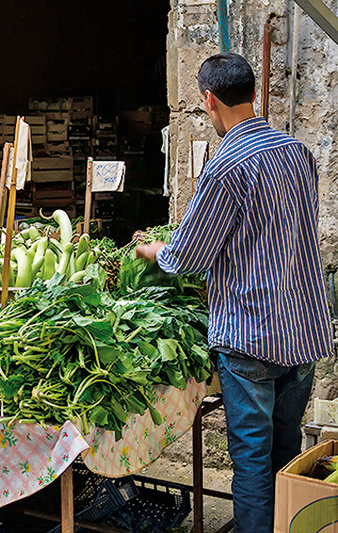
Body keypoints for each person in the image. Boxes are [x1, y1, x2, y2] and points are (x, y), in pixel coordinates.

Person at [136, 53, 332, 533]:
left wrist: (150, 249)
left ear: (208, 100)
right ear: (252, 94)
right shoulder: (298, 153)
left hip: (251, 338)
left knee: (251, 466)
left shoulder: (227, 166)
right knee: (286, 457)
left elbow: (187, 256)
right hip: (303, 332)